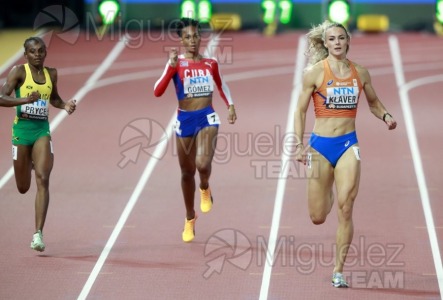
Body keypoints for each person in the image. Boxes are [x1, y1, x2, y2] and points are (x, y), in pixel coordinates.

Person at [294, 21, 397, 287]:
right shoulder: (315, 73)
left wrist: (385, 115)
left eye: (341, 38)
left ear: (348, 41)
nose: (337, 42)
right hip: (319, 146)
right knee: (317, 217)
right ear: (325, 43)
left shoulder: (360, 73)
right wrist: (298, 143)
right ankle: (327, 188)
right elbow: (300, 111)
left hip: (348, 145)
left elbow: (373, 102)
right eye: (332, 39)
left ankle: (338, 270)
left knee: (347, 206)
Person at [154, 18, 237, 242]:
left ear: (201, 37)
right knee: (186, 172)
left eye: (196, 36)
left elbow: (221, 84)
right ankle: (190, 217)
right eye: (187, 37)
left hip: (207, 116)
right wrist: (171, 68)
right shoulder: (176, 63)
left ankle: (205, 186)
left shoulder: (210, 63)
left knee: (202, 163)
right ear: (181, 40)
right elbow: (157, 91)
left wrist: (230, 105)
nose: (192, 40)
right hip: (185, 120)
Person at [0, 37, 77, 252]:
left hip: (41, 131)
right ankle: (29, 161)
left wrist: (65, 105)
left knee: (43, 179)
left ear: (45, 53)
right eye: (33, 51)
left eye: (41, 51)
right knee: (23, 187)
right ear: (26, 54)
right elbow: (1, 97)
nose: (37, 54)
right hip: (22, 133)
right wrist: (24, 100)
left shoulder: (51, 73)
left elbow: (53, 98)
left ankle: (38, 234)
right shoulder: (19, 72)